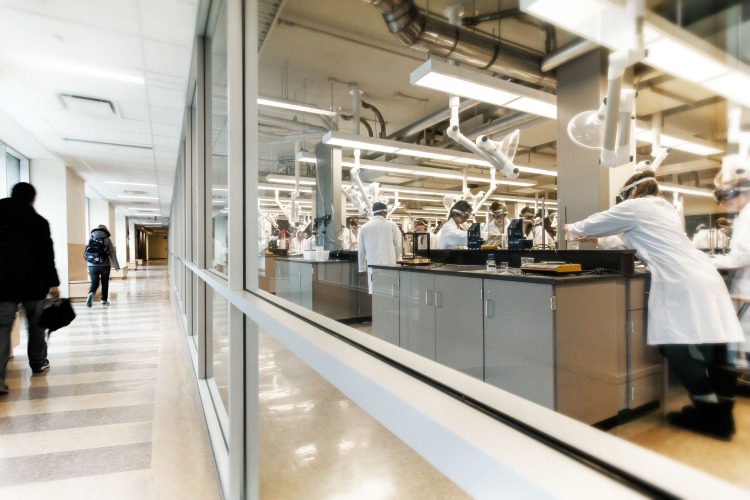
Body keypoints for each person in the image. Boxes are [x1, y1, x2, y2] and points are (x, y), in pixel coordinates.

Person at [564, 170, 743, 440]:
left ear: (629, 193)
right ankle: (723, 413)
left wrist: (569, 229)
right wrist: (599, 240)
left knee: (672, 343)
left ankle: (707, 408)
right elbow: (635, 239)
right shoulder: (665, 209)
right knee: (715, 341)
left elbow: (589, 225)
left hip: (680, 281)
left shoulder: (634, 206)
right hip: (706, 276)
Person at [0, 182, 60, 391]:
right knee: (36, 324)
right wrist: (53, 282)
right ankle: (38, 362)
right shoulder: (37, 222)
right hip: (33, 283)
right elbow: (46, 255)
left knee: (2, 328)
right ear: (32, 199)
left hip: (2, 284)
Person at [712, 178, 750, 367]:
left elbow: (744, 254)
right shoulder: (744, 214)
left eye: (729, 198)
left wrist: (715, 261)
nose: (727, 204)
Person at [358, 202, 401, 293]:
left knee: (376, 292)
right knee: (390, 292)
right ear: (383, 213)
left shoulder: (364, 227)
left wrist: (362, 268)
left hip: (372, 266)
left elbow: (361, 251)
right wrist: (395, 259)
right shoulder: (392, 225)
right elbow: (398, 246)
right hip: (389, 265)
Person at [85, 224, 120, 307]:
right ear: (105, 231)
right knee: (105, 283)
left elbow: (87, 252)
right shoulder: (107, 239)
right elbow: (112, 253)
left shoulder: (90, 238)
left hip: (92, 265)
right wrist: (116, 266)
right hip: (104, 265)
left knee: (94, 283)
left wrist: (88, 263)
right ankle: (104, 300)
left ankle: (91, 293)